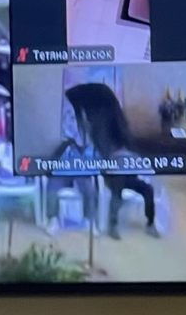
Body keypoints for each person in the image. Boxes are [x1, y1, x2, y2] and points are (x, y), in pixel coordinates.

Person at [64, 82, 159, 239]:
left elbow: (135, 157)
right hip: (111, 175)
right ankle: (112, 226)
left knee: (148, 189)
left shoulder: (118, 134)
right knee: (117, 186)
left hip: (128, 174)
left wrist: (132, 162)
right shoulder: (93, 135)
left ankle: (150, 224)